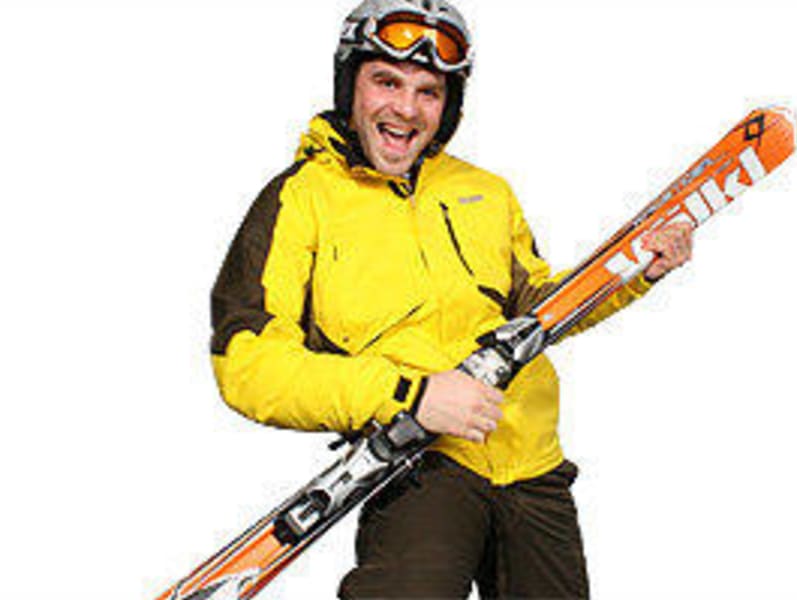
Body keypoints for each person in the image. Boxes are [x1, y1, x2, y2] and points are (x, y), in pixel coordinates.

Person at [210, 0, 693, 597]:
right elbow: (248, 366)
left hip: (533, 466)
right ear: (350, 85)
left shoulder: (485, 192)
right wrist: (408, 395)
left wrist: (633, 271)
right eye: (386, 82)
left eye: (429, 92)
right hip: (419, 465)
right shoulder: (301, 200)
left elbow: (542, 309)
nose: (406, 109)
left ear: (449, 105)